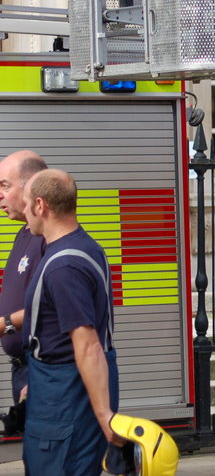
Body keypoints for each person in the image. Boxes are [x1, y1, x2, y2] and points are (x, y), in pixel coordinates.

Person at [21, 169, 120, 475]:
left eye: (26, 204)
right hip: (53, 392)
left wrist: (105, 417)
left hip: (65, 404)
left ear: (41, 206)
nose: (23, 211)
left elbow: (88, 345)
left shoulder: (64, 267)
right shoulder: (86, 247)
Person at [0, 150, 47, 404]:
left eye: (5, 185)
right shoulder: (24, 234)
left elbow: (49, 308)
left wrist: (4, 324)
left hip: (39, 367)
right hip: (23, 369)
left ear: (31, 187)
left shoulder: (48, 239)